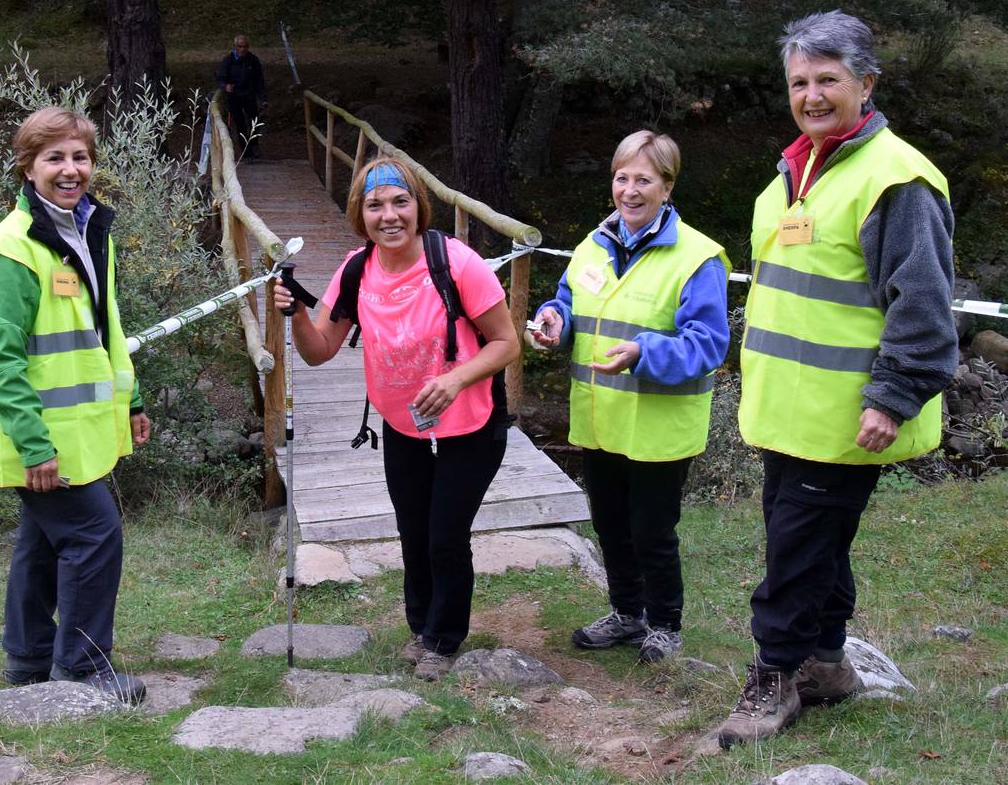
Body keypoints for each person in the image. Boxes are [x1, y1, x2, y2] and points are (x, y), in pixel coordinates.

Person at [718, 11, 955, 747]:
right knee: (814, 541)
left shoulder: (899, 180)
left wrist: (893, 396)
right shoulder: (796, 170)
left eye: (828, 79)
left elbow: (922, 304)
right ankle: (825, 664)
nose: (812, 95)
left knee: (795, 548)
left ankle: (774, 680)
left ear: (866, 84)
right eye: (799, 81)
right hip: (790, 413)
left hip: (851, 414)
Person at [273, 157, 519, 681]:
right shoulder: (356, 270)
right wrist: (296, 311)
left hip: (472, 421)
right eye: (375, 205)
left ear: (418, 208)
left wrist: (455, 379)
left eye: (400, 202)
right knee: (412, 529)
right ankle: (421, 628)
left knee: (445, 534)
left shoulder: (457, 263)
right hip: (402, 422)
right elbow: (319, 352)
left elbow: (506, 342)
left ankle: (444, 641)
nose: (389, 216)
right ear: (360, 214)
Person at [0, 107, 151, 703]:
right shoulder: (7, 254)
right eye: (55, 158)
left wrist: (133, 401)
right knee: (95, 534)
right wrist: (33, 445)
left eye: (81, 157)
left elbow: (105, 330)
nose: (71, 171)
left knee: (41, 540)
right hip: (39, 436)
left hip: (80, 428)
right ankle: (84, 669)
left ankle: (29, 662)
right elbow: (0, 364)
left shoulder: (88, 230)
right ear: (28, 166)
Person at [531, 131, 731, 665]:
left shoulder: (699, 255)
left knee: (651, 530)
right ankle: (626, 613)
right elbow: (568, 302)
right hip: (601, 418)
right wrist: (555, 320)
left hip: (659, 426)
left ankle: (664, 624)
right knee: (610, 524)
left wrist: (642, 352)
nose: (630, 189)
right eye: (622, 177)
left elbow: (709, 344)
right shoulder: (592, 244)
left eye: (644, 179)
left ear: (667, 186)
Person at [216, 35, 268, 159]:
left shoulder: (253, 60)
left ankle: (254, 144)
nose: (242, 49)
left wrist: (263, 98)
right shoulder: (228, 60)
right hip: (234, 97)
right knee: (240, 124)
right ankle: (246, 151)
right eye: (240, 47)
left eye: (245, 47)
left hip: (249, 95)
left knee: (255, 121)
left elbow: (259, 80)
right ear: (236, 47)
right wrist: (225, 86)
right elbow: (220, 77)